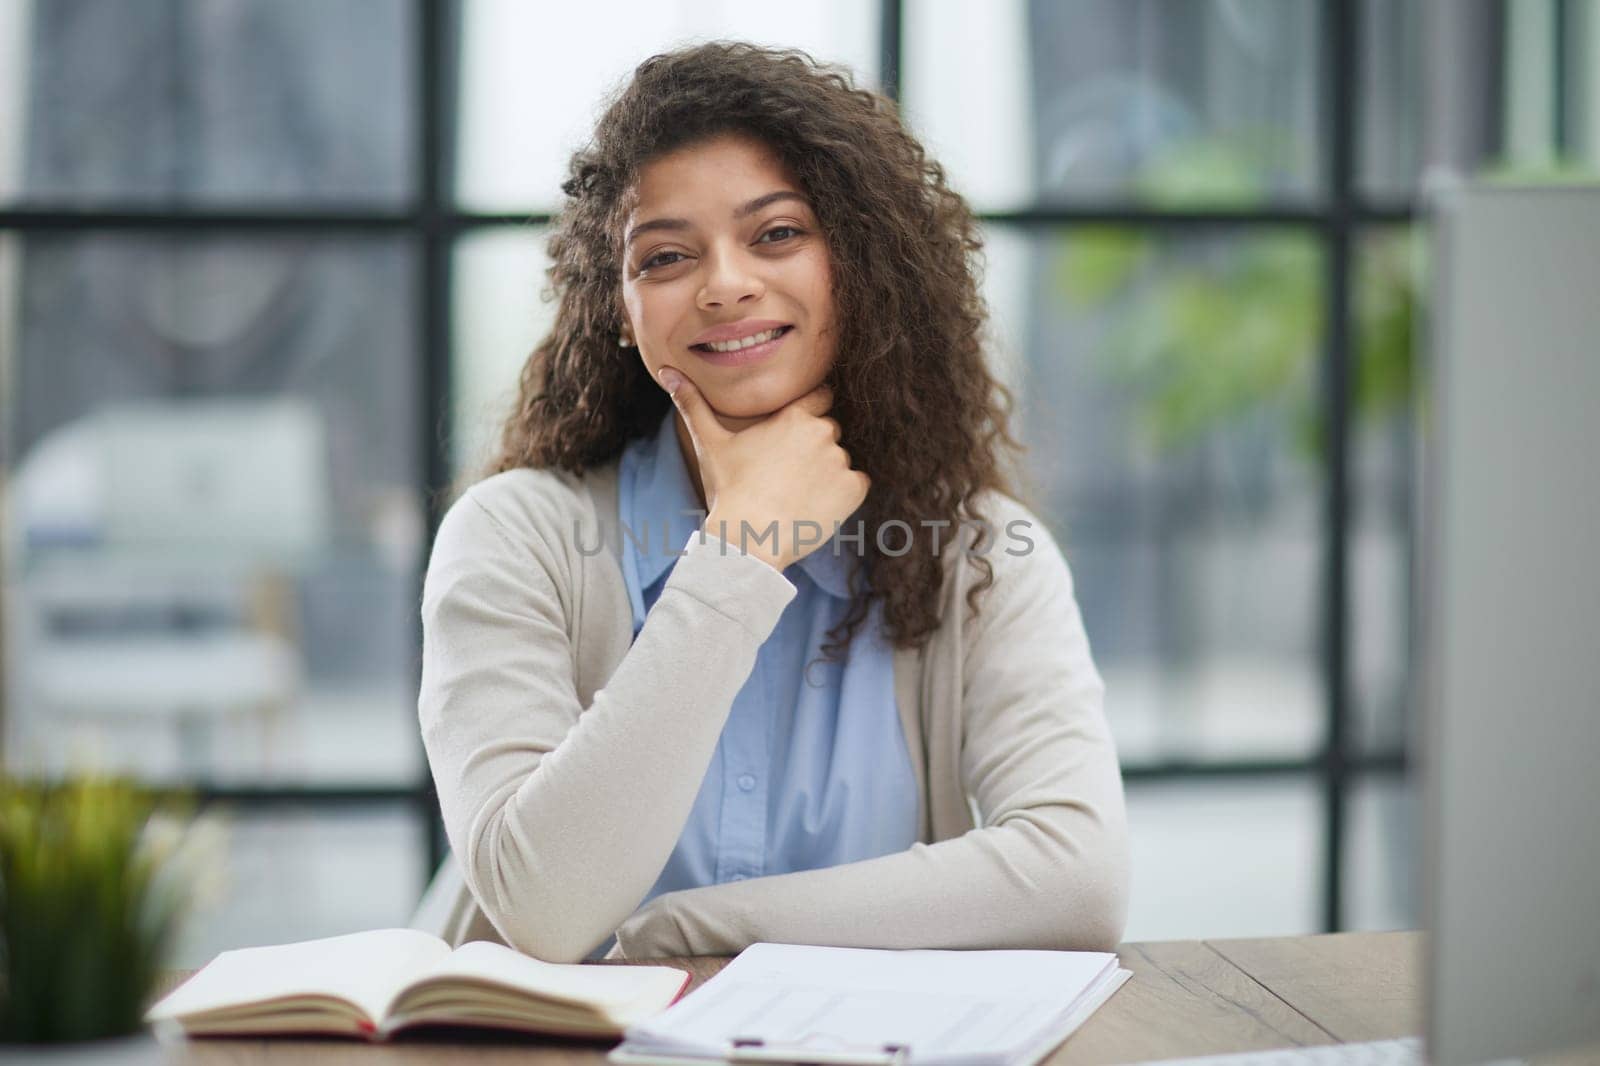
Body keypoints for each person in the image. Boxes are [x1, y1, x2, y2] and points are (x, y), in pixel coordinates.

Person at [417, 41, 1129, 963]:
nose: (724, 283)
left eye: (778, 234)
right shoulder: (513, 535)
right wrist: (740, 554)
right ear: (620, 311)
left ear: (863, 265)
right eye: (665, 256)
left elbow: (1078, 877)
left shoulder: (981, 552)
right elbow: (547, 909)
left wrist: (688, 932)